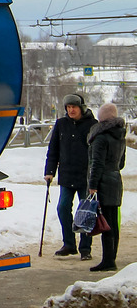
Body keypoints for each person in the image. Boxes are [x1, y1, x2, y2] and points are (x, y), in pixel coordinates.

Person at [44, 94, 97, 259]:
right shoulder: (61, 124)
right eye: (68, 107)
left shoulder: (92, 125)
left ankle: (85, 248)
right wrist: (49, 171)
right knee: (63, 208)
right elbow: (53, 149)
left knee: (86, 212)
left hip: (85, 176)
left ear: (81, 107)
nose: (71, 110)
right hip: (67, 175)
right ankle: (69, 244)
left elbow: (96, 152)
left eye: (74, 107)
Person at [86, 102, 125, 272]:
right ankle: (111, 257)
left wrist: (92, 185)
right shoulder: (120, 135)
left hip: (104, 182)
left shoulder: (101, 137)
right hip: (116, 180)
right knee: (113, 223)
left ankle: (108, 261)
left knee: (105, 222)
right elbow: (121, 163)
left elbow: (97, 164)